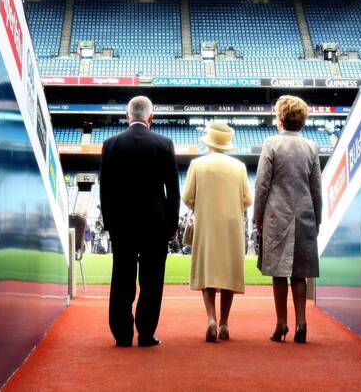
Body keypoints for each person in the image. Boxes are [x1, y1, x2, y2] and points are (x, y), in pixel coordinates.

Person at [99, 96, 180, 347]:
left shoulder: (110, 144)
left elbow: (106, 189)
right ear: (151, 117)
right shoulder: (164, 144)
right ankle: (146, 333)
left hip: (122, 224)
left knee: (121, 278)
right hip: (155, 224)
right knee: (152, 280)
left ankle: (122, 334)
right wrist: (171, 226)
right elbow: (173, 192)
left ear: (127, 116)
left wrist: (110, 223)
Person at [254, 95, 322, 344]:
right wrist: (318, 219)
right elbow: (316, 189)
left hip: (277, 215)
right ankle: (301, 322)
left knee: (278, 271)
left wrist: (257, 216)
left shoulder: (271, 144)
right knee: (300, 273)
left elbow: (262, 184)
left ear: (281, 118)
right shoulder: (311, 147)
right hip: (304, 215)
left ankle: (281, 323)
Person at [182, 122, 252, 342]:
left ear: (208, 142)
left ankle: (211, 319)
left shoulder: (197, 164)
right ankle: (224, 323)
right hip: (232, 225)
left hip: (206, 223)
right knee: (229, 272)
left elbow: (187, 198)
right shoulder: (239, 166)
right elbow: (248, 199)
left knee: (208, 272)